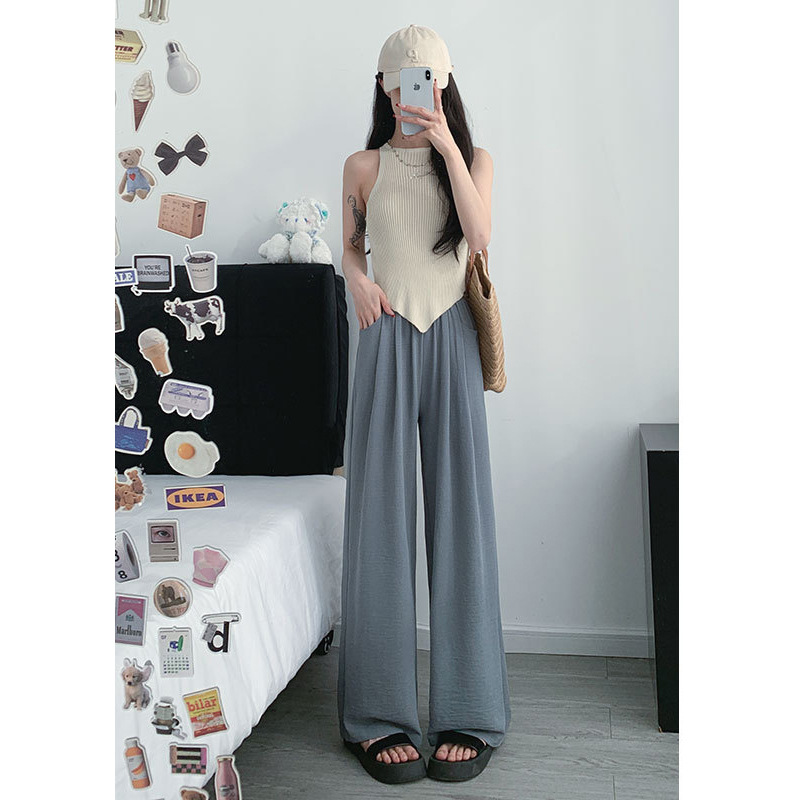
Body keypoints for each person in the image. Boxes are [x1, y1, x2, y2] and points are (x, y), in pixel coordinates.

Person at [337, 24, 511, 785]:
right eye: (404, 79)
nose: (416, 91)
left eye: (429, 79)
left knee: (461, 518)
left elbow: (480, 234)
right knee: (378, 521)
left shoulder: (475, 161)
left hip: (451, 337)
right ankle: (378, 716)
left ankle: (470, 711)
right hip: (384, 333)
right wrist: (354, 278)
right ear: (384, 86)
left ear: (444, 83)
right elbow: (352, 247)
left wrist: (444, 145)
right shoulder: (362, 166)